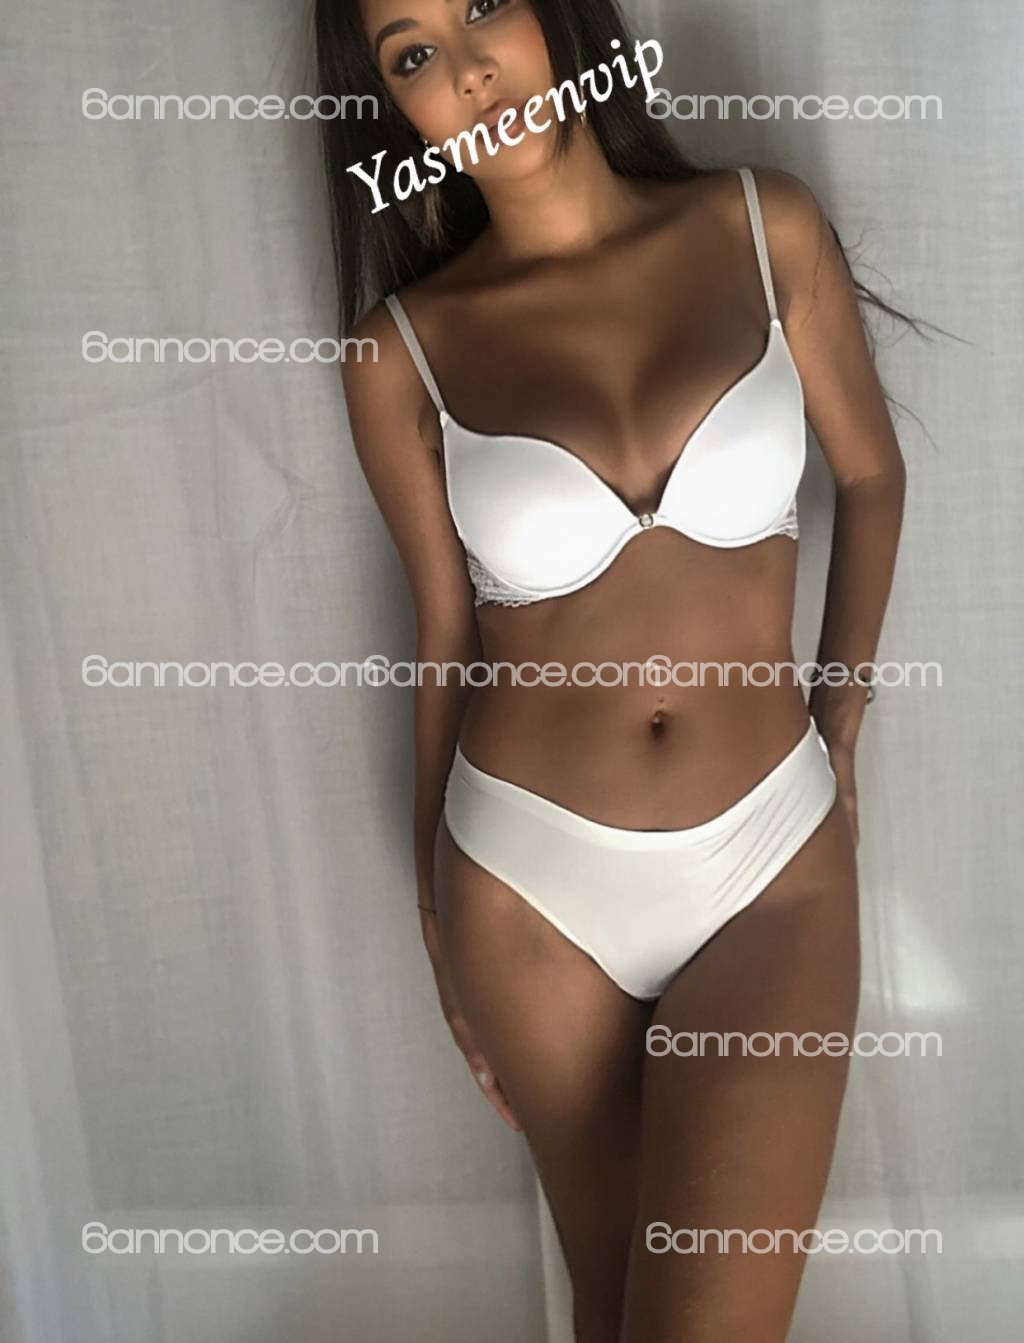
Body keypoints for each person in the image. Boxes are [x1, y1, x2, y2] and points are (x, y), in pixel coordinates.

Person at [322, 0, 907, 1338]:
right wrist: (434, 919)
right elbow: (444, 635)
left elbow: (873, 477)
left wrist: (838, 736)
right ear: (395, 107)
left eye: (486, 5)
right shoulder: (399, 353)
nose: (471, 68)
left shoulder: (763, 227)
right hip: (528, 893)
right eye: (413, 54)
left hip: (770, 865)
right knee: (614, 1311)